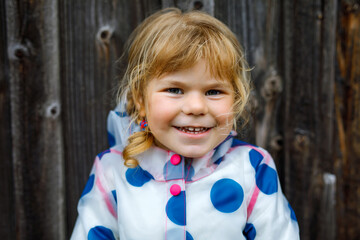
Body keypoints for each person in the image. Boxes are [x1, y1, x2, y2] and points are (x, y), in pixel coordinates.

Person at [71, 8, 300, 240]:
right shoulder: (113, 170)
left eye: (213, 91)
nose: (196, 107)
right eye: (174, 90)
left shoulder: (252, 169)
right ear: (140, 99)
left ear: (236, 99)